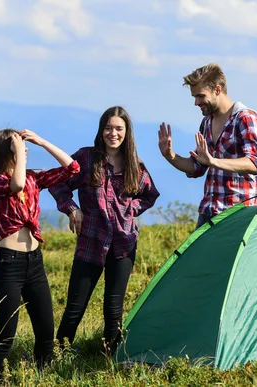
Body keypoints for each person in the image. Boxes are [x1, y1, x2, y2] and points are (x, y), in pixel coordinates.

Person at [49, 106, 159, 357]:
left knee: (114, 307)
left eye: (119, 128)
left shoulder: (135, 166)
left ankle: (109, 359)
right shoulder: (87, 159)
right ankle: (57, 356)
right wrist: (72, 209)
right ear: (101, 130)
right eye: (108, 127)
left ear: (126, 132)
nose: (113, 133)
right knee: (75, 306)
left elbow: (149, 195)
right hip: (91, 241)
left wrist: (132, 208)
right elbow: (58, 183)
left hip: (124, 243)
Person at [0, 128, 80, 380]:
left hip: (34, 263)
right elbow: (15, 185)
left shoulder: (33, 179)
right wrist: (20, 153)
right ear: (7, 152)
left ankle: (43, 379)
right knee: (5, 337)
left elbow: (72, 168)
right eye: (18, 146)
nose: (24, 149)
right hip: (9, 266)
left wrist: (41, 141)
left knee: (46, 334)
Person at [158, 63, 257, 228]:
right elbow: (197, 167)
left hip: (238, 214)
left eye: (200, 96)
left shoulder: (245, 118)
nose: (196, 102)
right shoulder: (207, 122)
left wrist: (213, 161)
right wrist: (170, 155)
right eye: (194, 97)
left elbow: (254, 163)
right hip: (208, 212)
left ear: (217, 89)